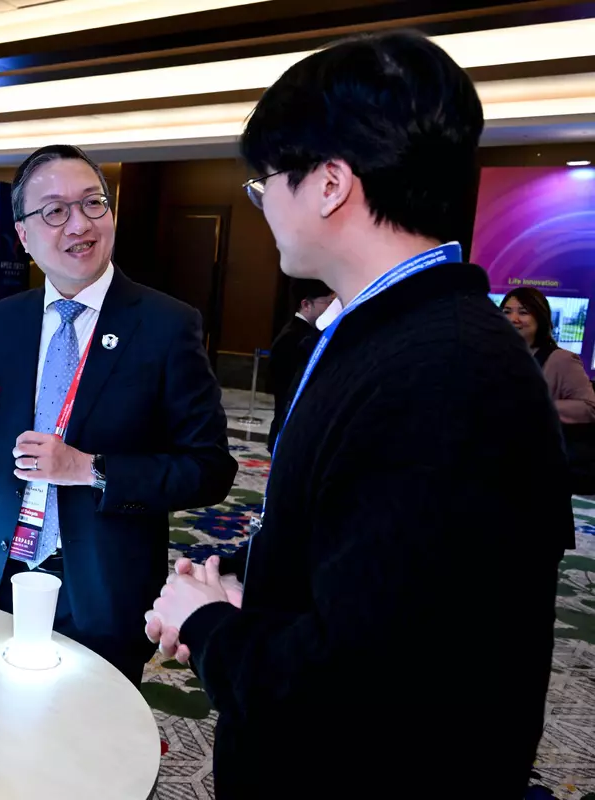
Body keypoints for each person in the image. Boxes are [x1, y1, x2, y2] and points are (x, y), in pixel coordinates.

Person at [145, 32, 572, 799]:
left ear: (330, 183)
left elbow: (358, 684)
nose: (264, 207)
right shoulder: (390, 334)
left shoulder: (442, 372)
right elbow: (365, 551)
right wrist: (243, 580)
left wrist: (209, 625)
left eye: (265, 184)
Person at [0, 144, 238, 682]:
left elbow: (209, 469)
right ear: (24, 235)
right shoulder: (2, 322)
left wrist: (90, 469)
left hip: (102, 586)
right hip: (1, 572)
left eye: (93, 203)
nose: (79, 224)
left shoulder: (165, 325)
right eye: (55, 211)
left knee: (93, 727)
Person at [501, 287, 595, 424]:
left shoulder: (562, 360)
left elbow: (590, 407)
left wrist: (536, 407)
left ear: (540, 318)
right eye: (506, 312)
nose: (512, 319)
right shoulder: (496, 356)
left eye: (523, 312)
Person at [266, 279, 334, 451]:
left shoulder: (303, 333)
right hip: (289, 427)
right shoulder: (294, 337)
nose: (330, 309)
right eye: (327, 303)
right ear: (306, 305)